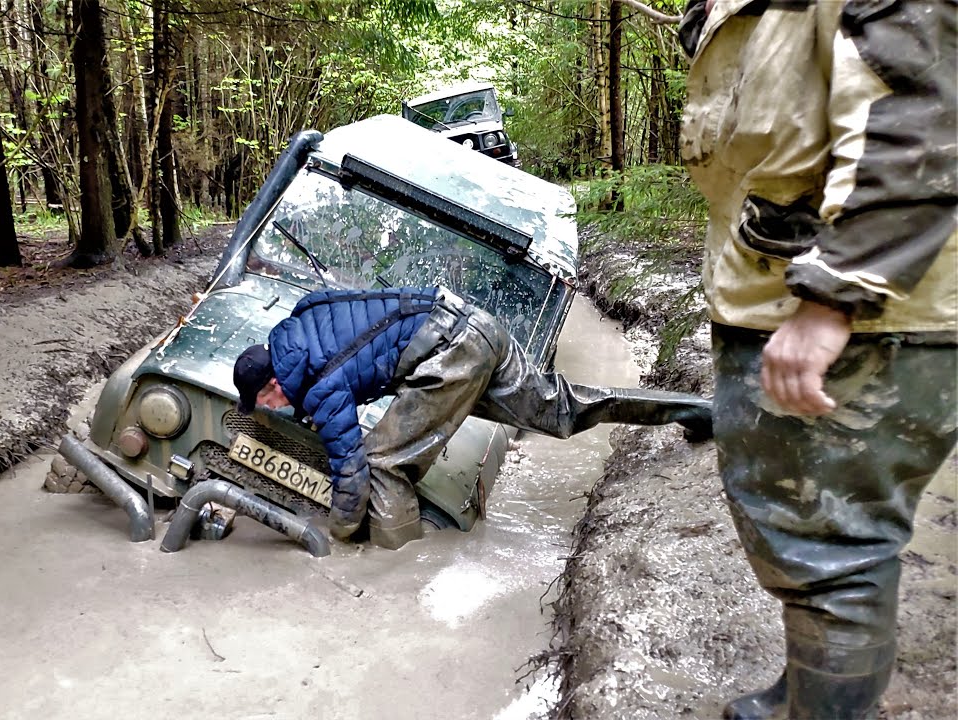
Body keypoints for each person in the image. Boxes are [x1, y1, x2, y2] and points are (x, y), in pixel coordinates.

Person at [677, 0, 956, 717]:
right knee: (809, 544)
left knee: (834, 558)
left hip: (857, 312)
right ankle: (806, 690)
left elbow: (920, 113)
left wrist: (835, 298)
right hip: (788, 289)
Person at [232, 286, 714, 550]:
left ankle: (398, 558)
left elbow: (351, 469)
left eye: (264, 404)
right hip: (473, 324)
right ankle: (693, 409)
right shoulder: (304, 322)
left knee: (381, 464)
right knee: (561, 407)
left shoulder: (316, 385)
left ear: (273, 385)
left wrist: (336, 535)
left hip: (448, 354)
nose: (270, 412)